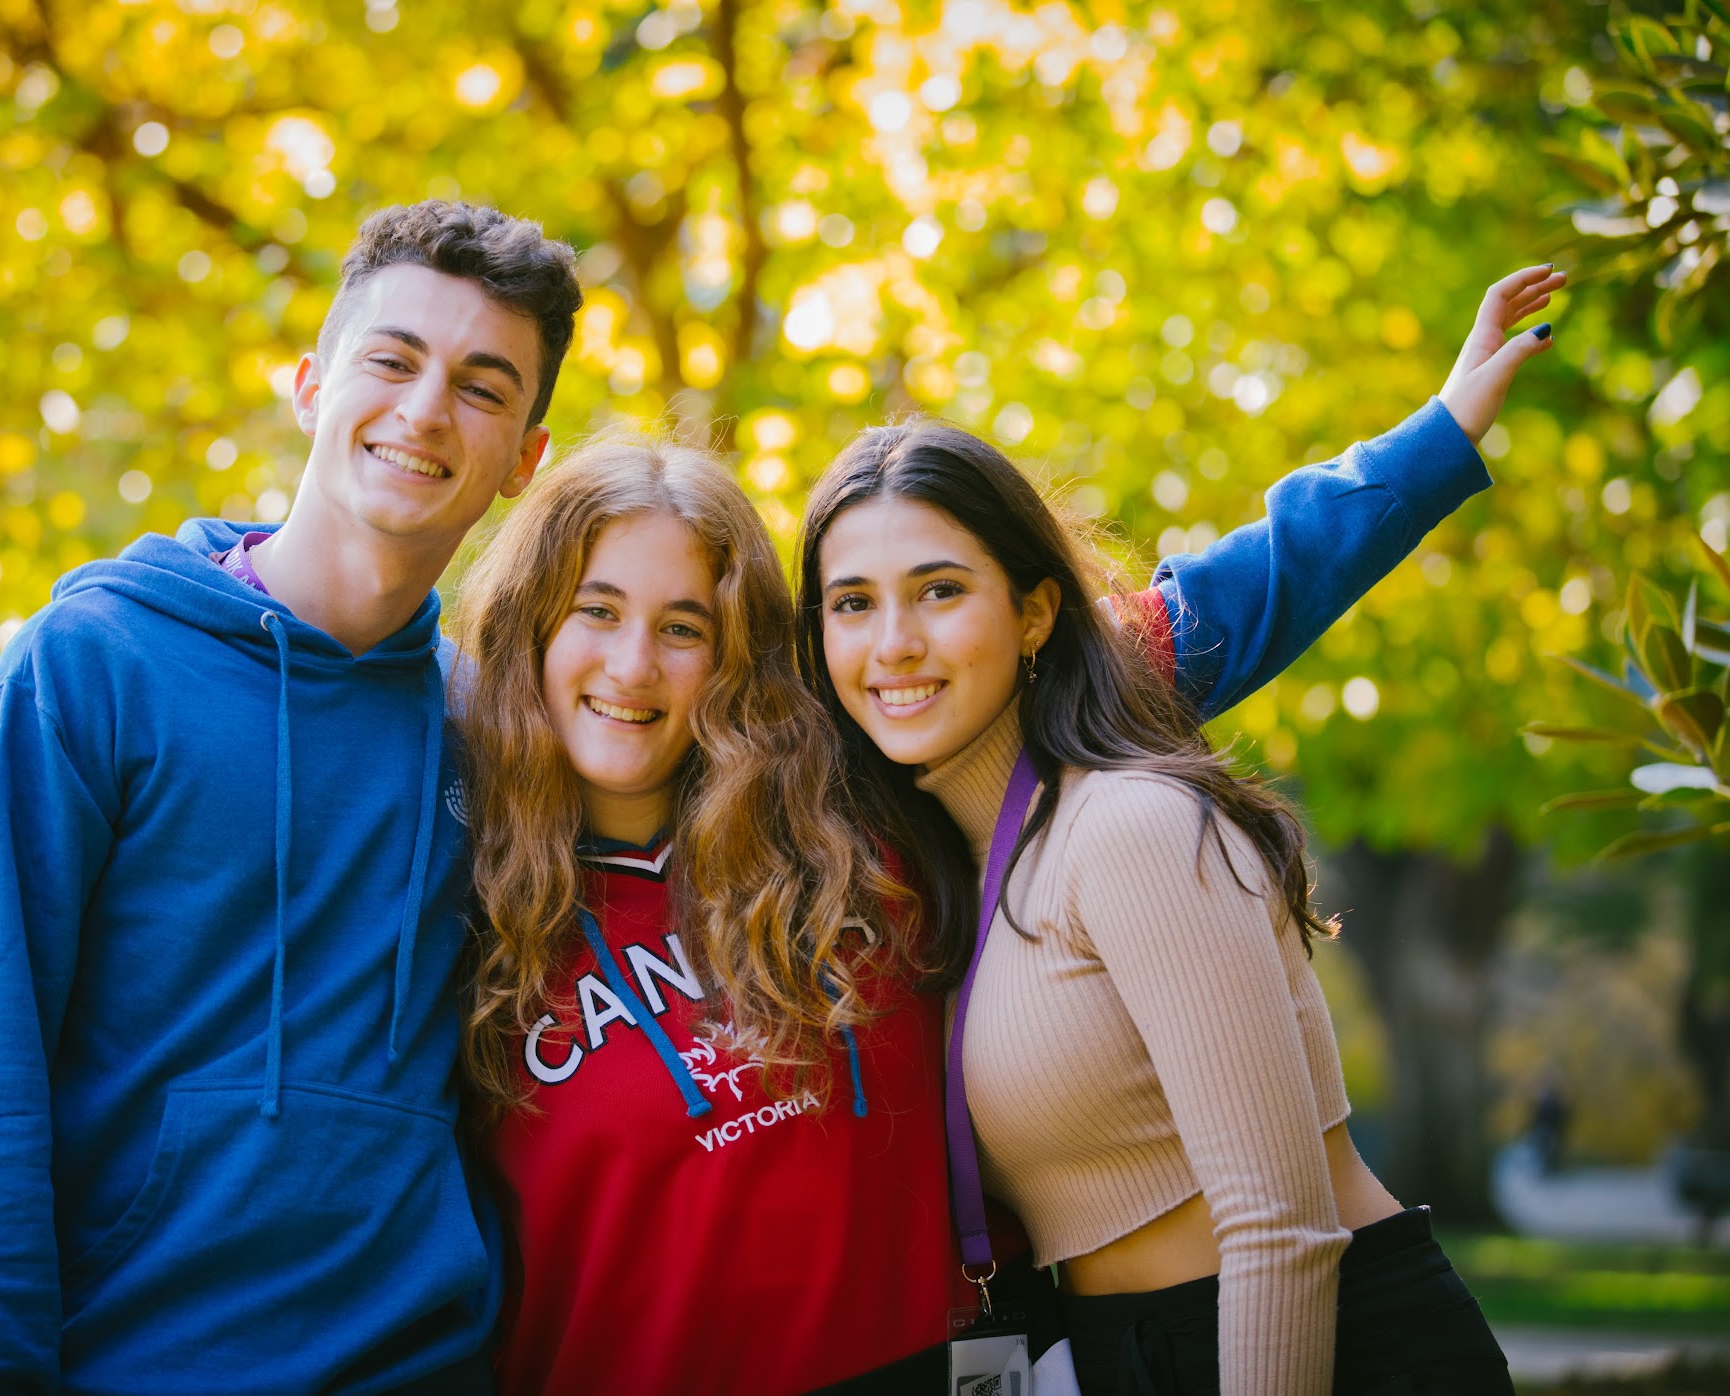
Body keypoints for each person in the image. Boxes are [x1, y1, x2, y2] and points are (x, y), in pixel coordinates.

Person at [457, 268, 1558, 1393]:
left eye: (684, 624)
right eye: (594, 610)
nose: (633, 663)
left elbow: (1217, 606)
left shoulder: (880, 809)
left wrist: (1429, 446)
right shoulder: (469, 867)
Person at [793, 270, 1561, 1394]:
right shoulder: (913, 850)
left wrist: (1437, 436)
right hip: (1116, 1352)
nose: (893, 641)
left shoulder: (1128, 824)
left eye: (942, 589)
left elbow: (1280, 1231)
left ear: (1038, 611)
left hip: (1307, 1338)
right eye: (850, 602)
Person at [0, 201, 582, 1394]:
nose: (424, 410)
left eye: (482, 385)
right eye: (393, 358)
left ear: (525, 458)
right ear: (312, 384)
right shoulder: (89, 669)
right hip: (137, 1364)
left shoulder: (495, 730)